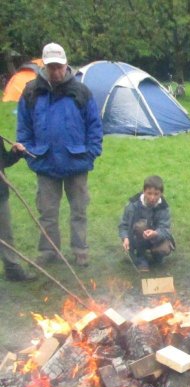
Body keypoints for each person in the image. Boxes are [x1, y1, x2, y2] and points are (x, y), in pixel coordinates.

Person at [16, 42, 103, 267]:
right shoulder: (31, 91)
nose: (55, 71)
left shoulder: (81, 91)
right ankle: (48, 252)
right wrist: (28, 152)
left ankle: (80, 251)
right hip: (44, 162)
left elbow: (94, 126)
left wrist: (91, 153)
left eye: (59, 66)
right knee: (47, 213)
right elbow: (23, 127)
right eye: (51, 67)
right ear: (44, 66)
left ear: (66, 65)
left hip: (77, 163)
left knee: (79, 212)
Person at [118, 175, 175, 272]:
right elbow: (123, 225)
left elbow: (165, 229)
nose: (152, 197)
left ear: (161, 193)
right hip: (137, 238)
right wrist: (125, 238)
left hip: (155, 237)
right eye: (149, 193)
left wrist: (155, 233)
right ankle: (141, 258)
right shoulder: (133, 205)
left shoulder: (164, 208)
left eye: (156, 194)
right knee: (141, 226)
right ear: (144, 191)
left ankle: (156, 254)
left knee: (165, 249)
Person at [0, 140, 36, 281]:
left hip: (0, 194)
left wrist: (15, 153)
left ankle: (13, 270)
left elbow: (4, 161)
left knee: (5, 234)